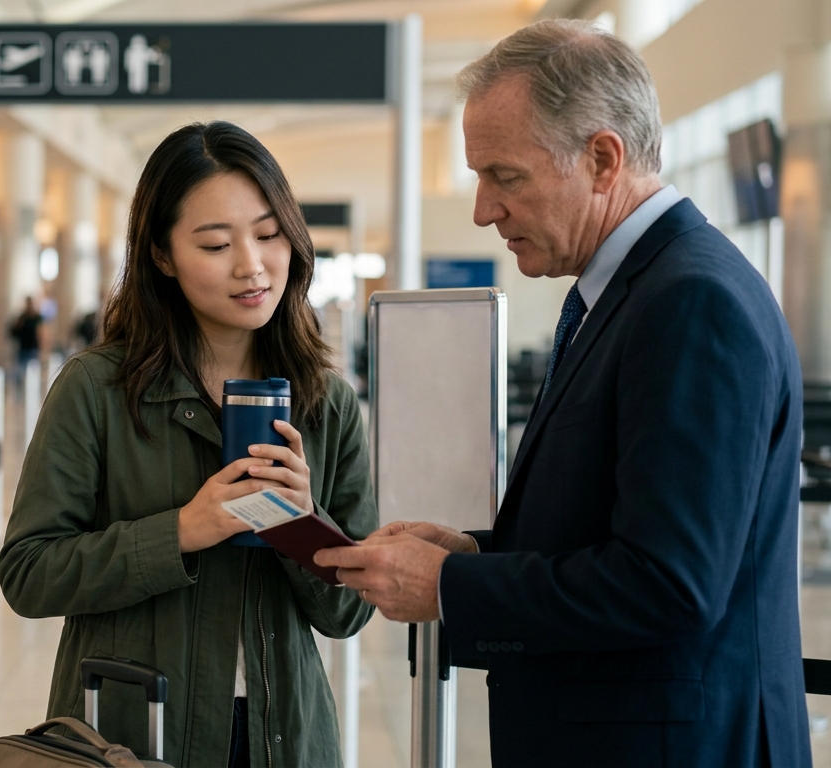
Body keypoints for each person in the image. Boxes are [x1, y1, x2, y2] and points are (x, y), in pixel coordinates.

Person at [315, 20, 811, 768]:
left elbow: (669, 584)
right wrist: (474, 553)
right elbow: (612, 529)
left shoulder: (690, 302)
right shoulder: (633, 292)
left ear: (603, 159)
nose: (485, 210)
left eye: (505, 176)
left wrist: (451, 586)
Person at [0, 122, 376, 768]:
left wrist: (300, 524)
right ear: (162, 256)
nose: (251, 265)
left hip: (280, 734)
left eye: (267, 234)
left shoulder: (326, 402)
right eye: (215, 243)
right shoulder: (97, 390)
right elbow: (28, 573)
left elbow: (348, 611)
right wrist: (179, 531)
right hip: (131, 733)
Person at [9, 296, 42, 382]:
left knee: (33, 374)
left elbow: (41, 334)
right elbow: (13, 333)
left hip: (33, 350)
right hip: (23, 349)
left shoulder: (37, 318)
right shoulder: (22, 318)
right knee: (20, 373)